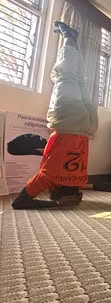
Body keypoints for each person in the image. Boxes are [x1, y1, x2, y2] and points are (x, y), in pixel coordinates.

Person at [12, 21, 97, 209]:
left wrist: (66, 199)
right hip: (67, 122)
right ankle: (68, 36)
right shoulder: (49, 176)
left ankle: (72, 39)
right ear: (54, 189)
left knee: (78, 79)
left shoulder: (80, 179)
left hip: (87, 126)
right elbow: (19, 203)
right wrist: (56, 204)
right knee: (65, 76)